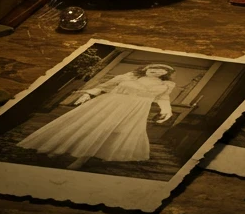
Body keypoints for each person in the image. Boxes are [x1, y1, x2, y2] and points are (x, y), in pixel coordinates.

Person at [18, 63, 176, 169]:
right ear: (145, 69)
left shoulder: (166, 85)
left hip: (135, 110)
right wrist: (87, 94)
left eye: (162, 71)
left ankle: (83, 158)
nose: (156, 71)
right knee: (90, 126)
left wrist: (166, 110)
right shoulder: (127, 77)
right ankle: (57, 149)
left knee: (113, 133)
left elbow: (163, 98)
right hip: (110, 104)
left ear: (166, 74)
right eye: (153, 69)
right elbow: (103, 87)